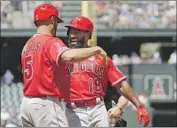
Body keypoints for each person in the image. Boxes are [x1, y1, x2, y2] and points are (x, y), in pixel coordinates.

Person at [20, 4, 107, 127]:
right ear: (52, 19)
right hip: (46, 105)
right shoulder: (50, 41)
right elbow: (68, 56)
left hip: (26, 105)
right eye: (57, 21)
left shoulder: (27, 45)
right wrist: (95, 50)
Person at [58, 16, 150, 127]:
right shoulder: (62, 56)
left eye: (76, 32)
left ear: (88, 34)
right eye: (70, 32)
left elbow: (121, 85)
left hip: (98, 108)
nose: (72, 35)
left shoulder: (101, 57)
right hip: (73, 110)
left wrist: (139, 105)